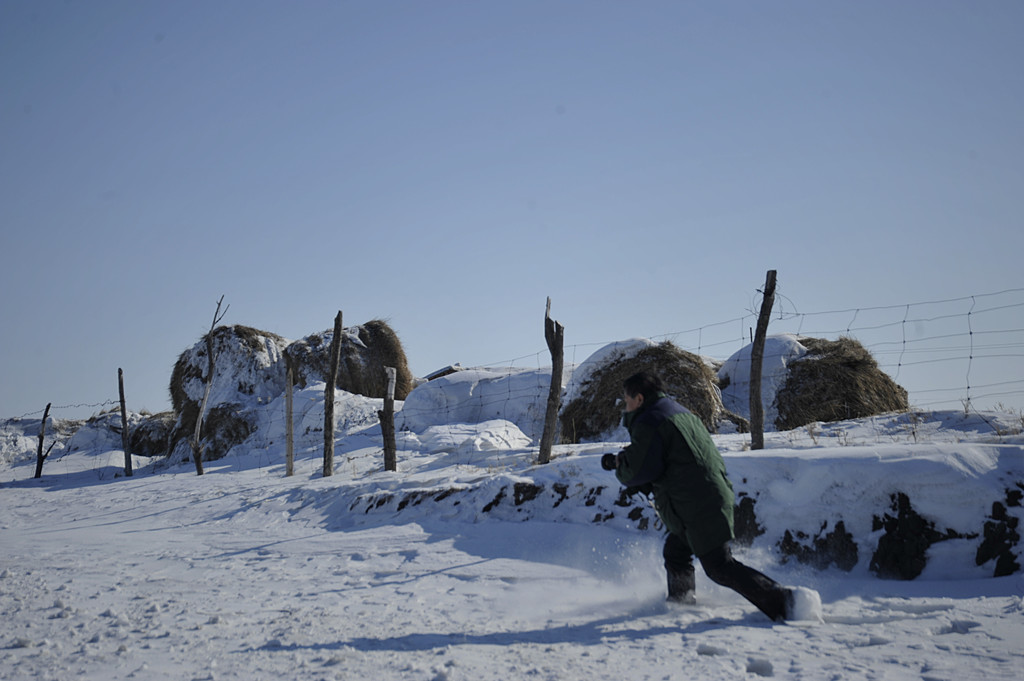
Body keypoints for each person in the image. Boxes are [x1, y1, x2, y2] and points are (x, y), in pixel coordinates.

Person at [601, 371, 795, 622]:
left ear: (638, 398)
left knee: (719, 567)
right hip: (707, 494)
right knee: (676, 551)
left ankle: (786, 603)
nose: (624, 407)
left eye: (626, 400)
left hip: (697, 502)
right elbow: (668, 459)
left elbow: (640, 470)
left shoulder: (648, 420)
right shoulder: (676, 411)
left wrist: (621, 465)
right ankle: (680, 605)